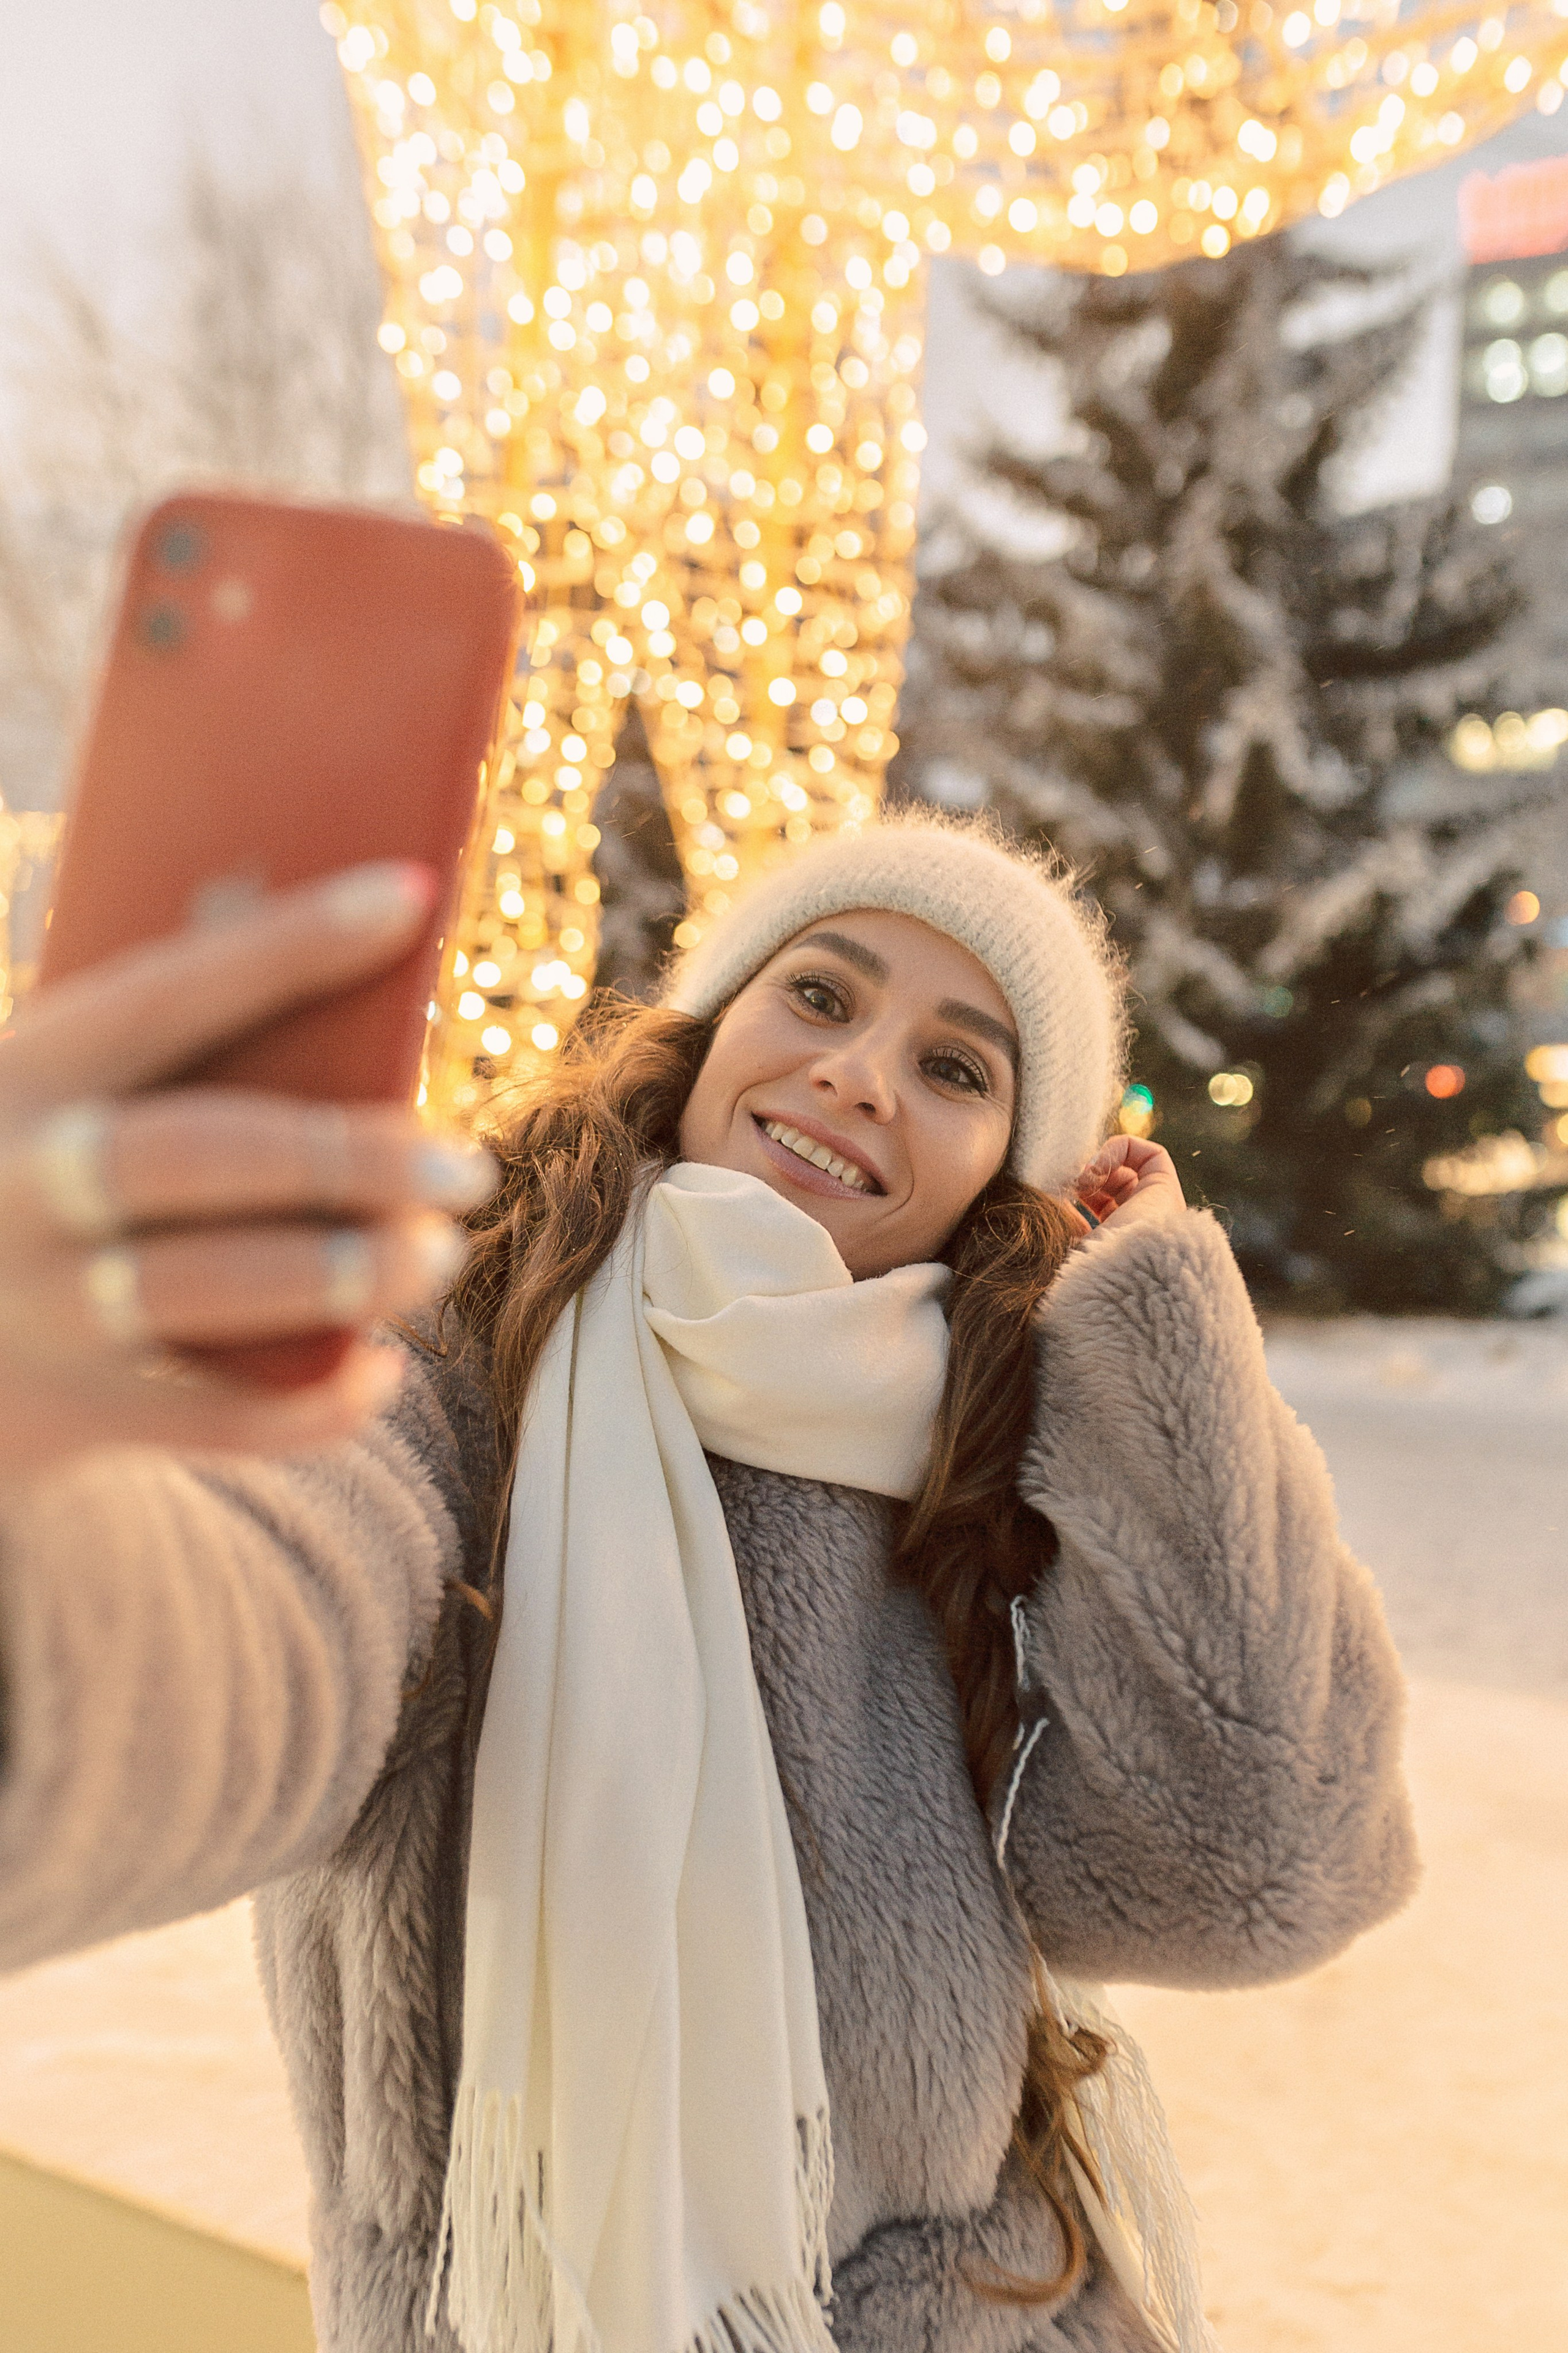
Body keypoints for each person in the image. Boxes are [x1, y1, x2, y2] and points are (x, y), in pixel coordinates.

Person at [0, 814, 1417, 2353]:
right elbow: (254, 1629)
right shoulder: (445, 1367)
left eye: (956, 1068)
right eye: (818, 995)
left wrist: (1157, 1332)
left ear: (1005, 1176)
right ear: (710, 1028)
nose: (862, 1072)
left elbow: (1254, 1872)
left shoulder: (994, 1477)